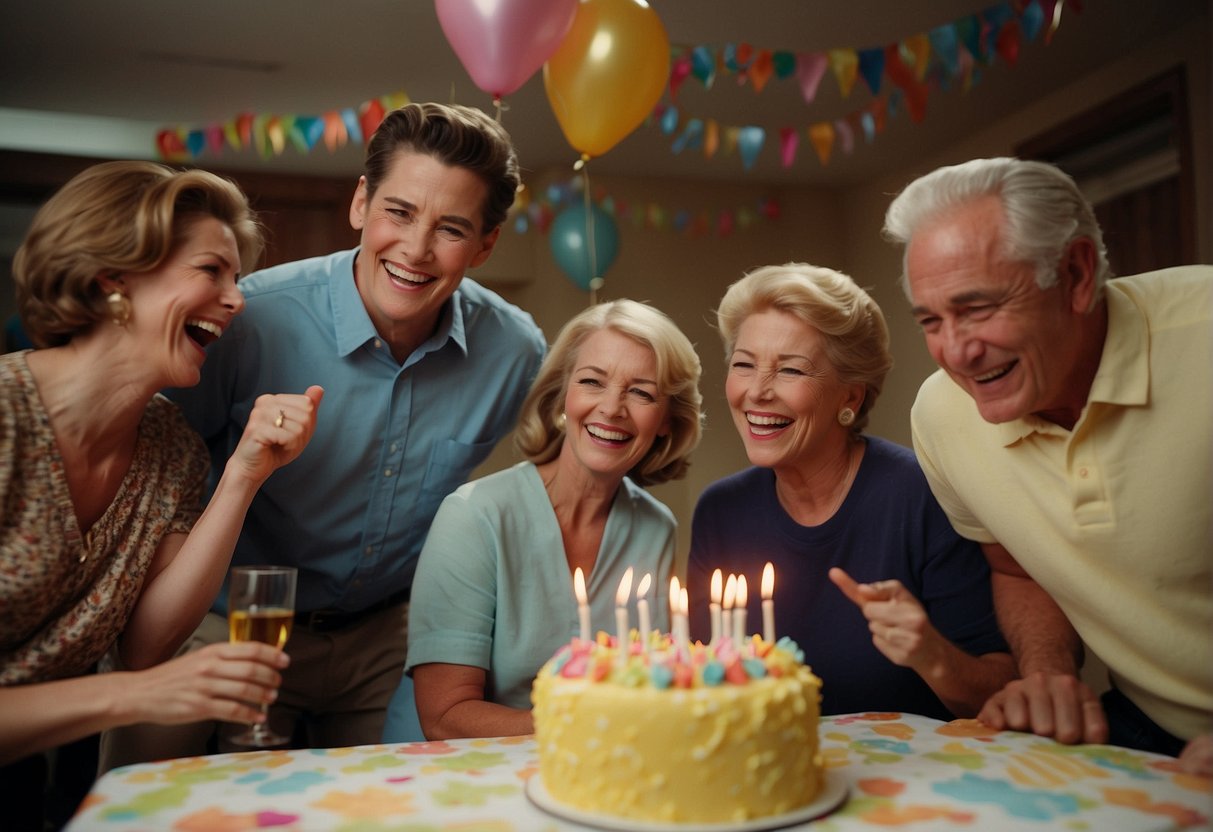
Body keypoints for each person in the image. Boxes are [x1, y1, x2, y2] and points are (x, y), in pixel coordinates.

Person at [100, 102, 546, 767]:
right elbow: (150, 489)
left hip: (386, 639)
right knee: (146, 798)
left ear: (485, 243)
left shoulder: (514, 354)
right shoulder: (245, 320)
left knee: (409, 807)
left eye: (450, 228)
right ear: (361, 202)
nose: (416, 250)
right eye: (399, 212)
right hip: (222, 622)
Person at [1, 161, 321, 825]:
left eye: (236, 278)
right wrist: (136, 696)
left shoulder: (169, 443)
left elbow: (147, 645)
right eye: (211, 271)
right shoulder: (6, 417)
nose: (237, 299)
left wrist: (244, 473)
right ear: (114, 278)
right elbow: (143, 678)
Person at [883, 156, 1212, 773]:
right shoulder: (941, 413)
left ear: (1077, 274)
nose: (956, 352)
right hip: (1146, 724)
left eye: (977, 308)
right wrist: (1049, 676)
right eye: (931, 320)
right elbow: (1016, 567)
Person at [687, 263, 1014, 720]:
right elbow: (702, 685)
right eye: (744, 364)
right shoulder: (720, 512)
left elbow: (1004, 688)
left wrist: (931, 653)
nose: (757, 392)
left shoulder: (921, 494)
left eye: (791, 370)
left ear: (850, 398)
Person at [405, 299, 703, 739]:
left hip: (613, 770)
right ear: (564, 396)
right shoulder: (474, 516)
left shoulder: (656, 528)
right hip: (485, 773)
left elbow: (649, 684)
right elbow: (444, 716)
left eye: (641, 392)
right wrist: (584, 728)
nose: (612, 408)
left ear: (665, 421)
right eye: (592, 382)